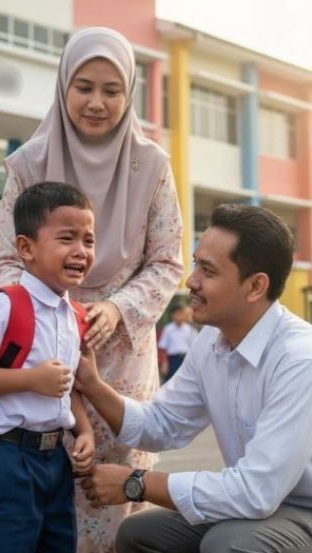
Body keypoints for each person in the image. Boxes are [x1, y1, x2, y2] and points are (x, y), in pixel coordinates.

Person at [0, 26, 183, 552]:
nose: (97, 103)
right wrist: (54, 312)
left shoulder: (153, 167)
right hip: (44, 359)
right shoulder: (28, 165)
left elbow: (169, 262)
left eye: (111, 89)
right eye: (83, 87)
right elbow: (8, 260)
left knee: (120, 499)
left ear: (129, 94)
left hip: (122, 361)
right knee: (48, 487)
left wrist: (118, 309)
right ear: (62, 86)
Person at [75, 204, 312, 553]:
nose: (191, 281)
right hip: (262, 505)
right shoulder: (211, 343)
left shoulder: (298, 359)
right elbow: (160, 424)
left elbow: (255, 492)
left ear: (255, 286)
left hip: (301, 509)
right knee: (137, 534)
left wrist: (136, 483)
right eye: (196, 262)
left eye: (208, 270)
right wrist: (93, 385)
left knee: (229, 545)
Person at [0, 182, 96, 553]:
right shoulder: (5, 305)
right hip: (4, 458)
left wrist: (85, 430)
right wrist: (32, 379)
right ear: (26, 248)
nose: (80, 251)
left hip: (54, 458)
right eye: (67, 239)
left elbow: (65, 385)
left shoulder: (73, 314)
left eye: (89, 241)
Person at [157, 304, 196, 381]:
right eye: (177, 314)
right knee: (171, 381)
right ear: (172, 315)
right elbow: (162, 347)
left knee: (185, 382)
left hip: (185, 359)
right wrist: (164, 363)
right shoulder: (168, 329)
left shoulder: (189, 330)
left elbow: (194, 347)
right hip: (172, 360)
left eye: (181, 314)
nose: (179, 316)